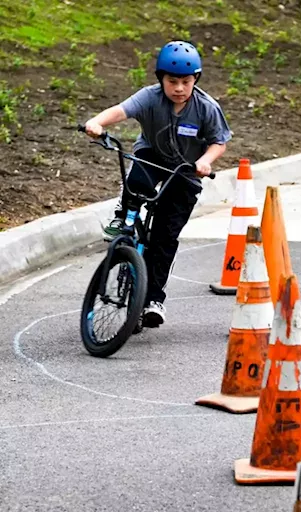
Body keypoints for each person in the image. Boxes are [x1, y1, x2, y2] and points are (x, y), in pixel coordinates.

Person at [83, 40, 232, 328]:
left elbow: (219, 142)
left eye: (186, 82)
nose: (179, 88)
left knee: (165, 238)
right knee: (138, 178)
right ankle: (124, 217)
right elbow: (121, 110)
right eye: (172, 81)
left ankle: (153, 299)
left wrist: (206, 161)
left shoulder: (206, 108)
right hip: (153, 155)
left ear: (195, 81)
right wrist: (97, 123)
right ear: (160, 79)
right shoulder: (150, 98)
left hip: (186, 171)